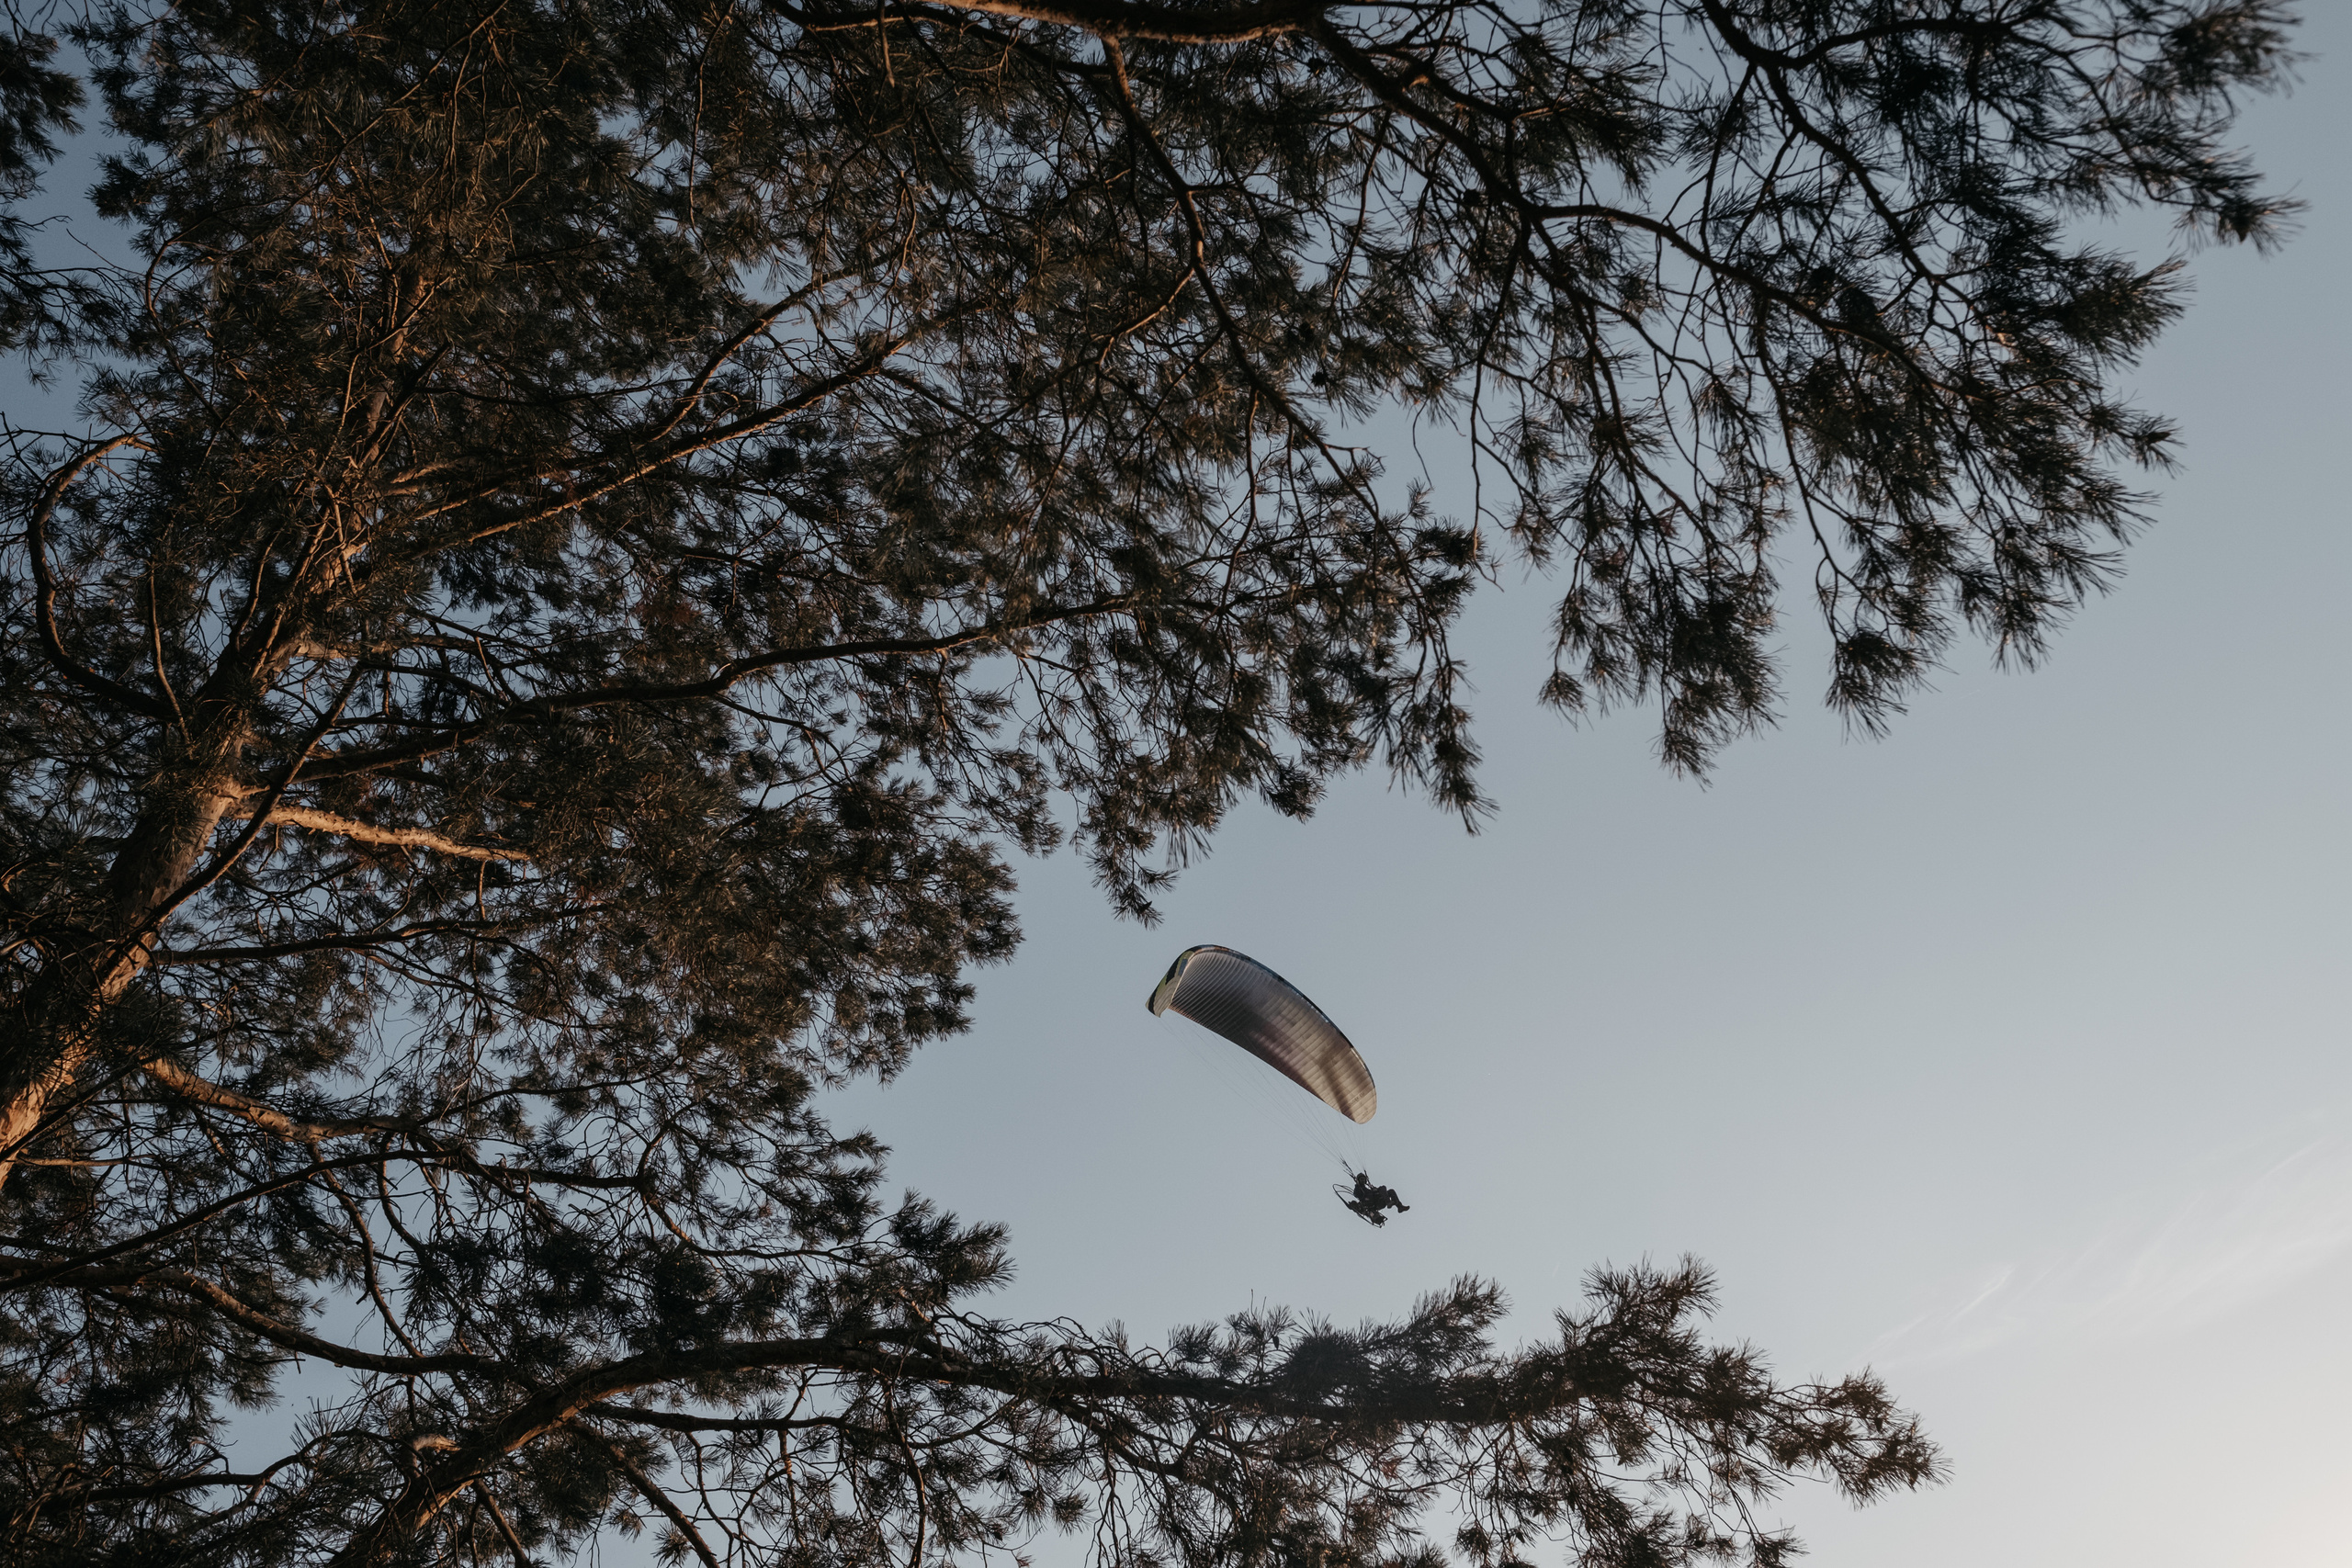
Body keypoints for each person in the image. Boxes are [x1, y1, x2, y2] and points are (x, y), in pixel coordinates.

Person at [1344, 1170, 1409, 1223]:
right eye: (1361, 1179)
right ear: (1358, 1180)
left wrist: (1375, 1190)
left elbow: (1373, 1193)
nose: (1363, 1180)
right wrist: (1357, 1185)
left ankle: (1399, 1207)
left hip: (1379, 1201)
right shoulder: (1359, 1189)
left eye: (1364, 1179)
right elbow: (1356, 1194)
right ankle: (1388, 1202)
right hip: (1374, 1205)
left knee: (1389, 1190)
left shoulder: (1367, 1189)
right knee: (1382, 1188)